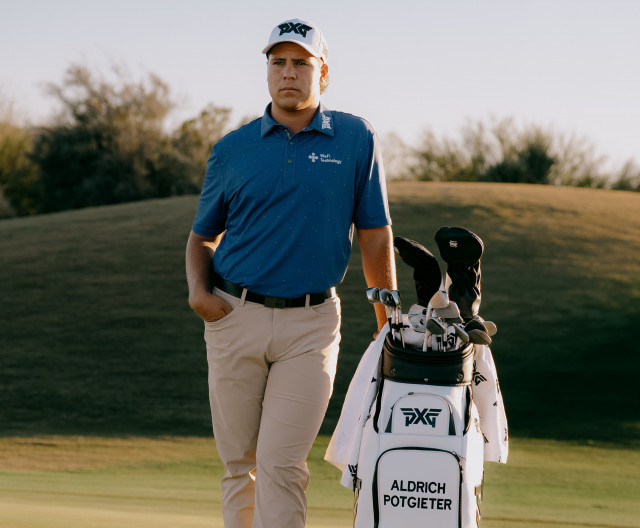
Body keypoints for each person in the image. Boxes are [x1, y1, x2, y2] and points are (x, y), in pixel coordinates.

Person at [185, 18, 396, 528]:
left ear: (323, 74)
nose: (288, 73)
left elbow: (374, 235)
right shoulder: (232, 149)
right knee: (239, 464)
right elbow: (202, 237)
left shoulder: (355, 137)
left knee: (281, 464)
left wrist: (387, 322)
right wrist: (199, 295)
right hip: (234, 315)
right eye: (278, 62)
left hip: (311, 325)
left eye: (301, 63)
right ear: (267, 71)